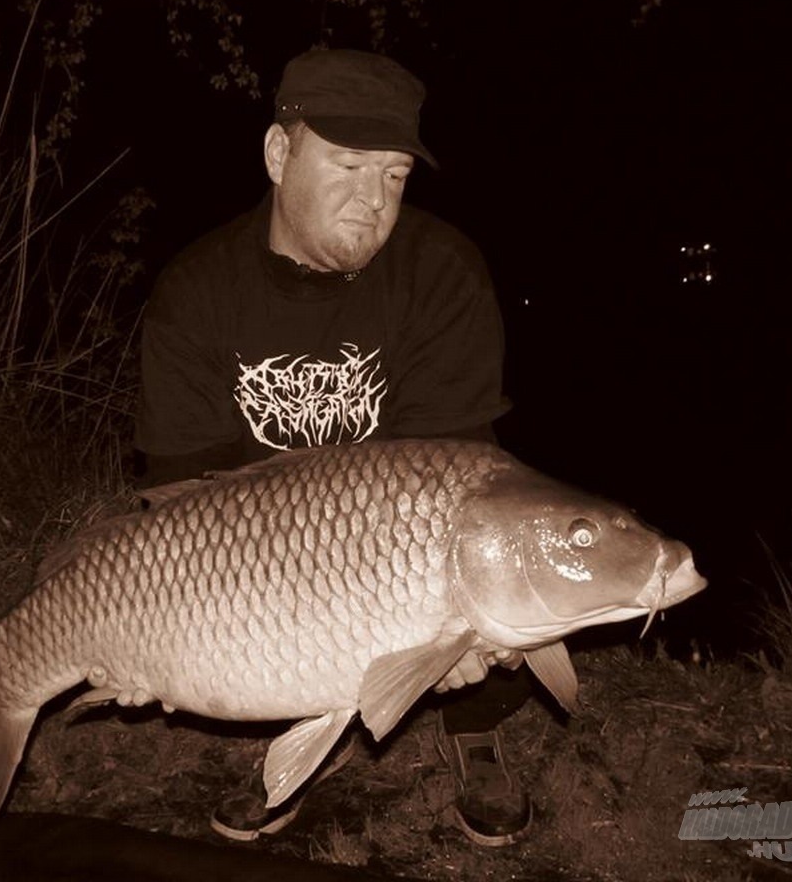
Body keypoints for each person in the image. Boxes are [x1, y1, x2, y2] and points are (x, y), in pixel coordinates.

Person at [134, 48, 535, 846]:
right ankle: (307, 743)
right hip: (245, 551)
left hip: (400, 546)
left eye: (393, 176)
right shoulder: (196, 291)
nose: (372, 201)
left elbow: (453, 470)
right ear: (280, 155)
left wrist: (448, 620)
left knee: (494, 580)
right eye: (349, 166)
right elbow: (181, 481)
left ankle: (475, 726)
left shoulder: (442, 272)